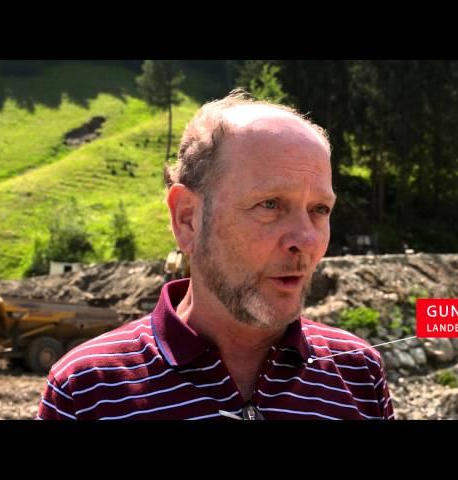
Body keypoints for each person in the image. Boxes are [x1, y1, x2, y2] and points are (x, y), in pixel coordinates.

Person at [37, 89, 394, 420]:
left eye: (320, 210)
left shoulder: (359, 376)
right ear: (188, 219)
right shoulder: (86, 392)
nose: (305, 238)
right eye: (269, 204)